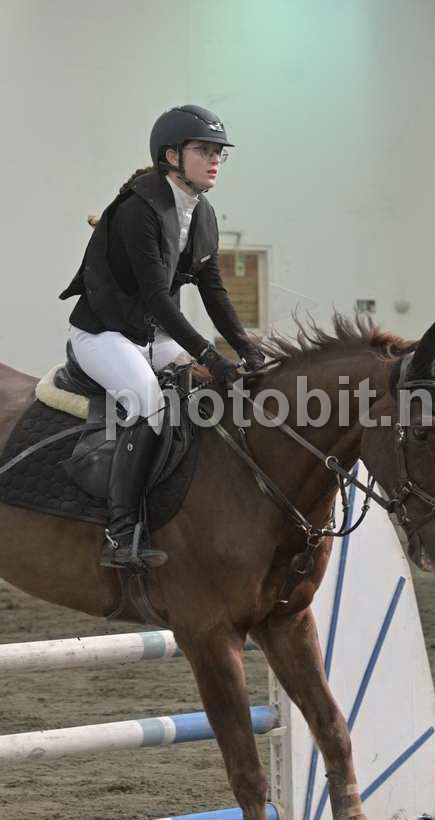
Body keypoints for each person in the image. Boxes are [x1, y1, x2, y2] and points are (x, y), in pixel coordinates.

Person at [60, 105, 265, 571]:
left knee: (213, 395)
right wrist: (208, 352)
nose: (215, 160)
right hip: (104, 334)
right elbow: (156, 296)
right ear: (171, 156)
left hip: (152, 337)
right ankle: (120, 533)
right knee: (150, 406)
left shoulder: (203, 213)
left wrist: (246, 348)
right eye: (204, 151)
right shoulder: (140, 208)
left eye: (219, 153)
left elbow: (213, 291)